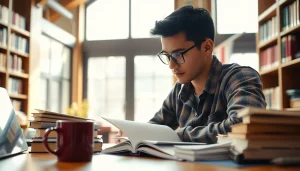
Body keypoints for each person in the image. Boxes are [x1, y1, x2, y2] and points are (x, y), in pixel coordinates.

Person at [146, 5, 266, 144]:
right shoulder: (179, 91)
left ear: (207, 47)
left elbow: (244, 126)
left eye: (178, 54)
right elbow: (153, 129)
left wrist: (181, 134)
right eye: (167, 56)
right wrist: (134, 132)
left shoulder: (239, 78)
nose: (171, 65)